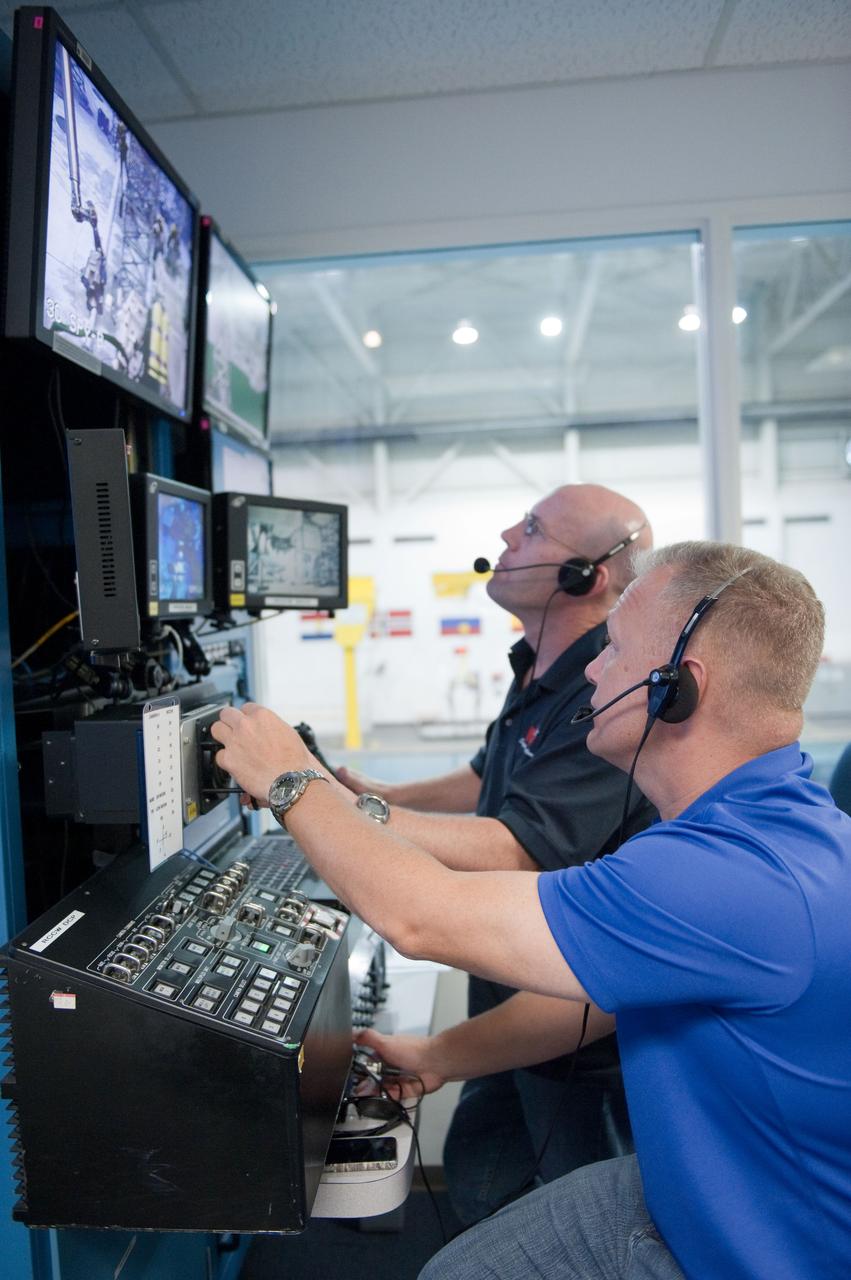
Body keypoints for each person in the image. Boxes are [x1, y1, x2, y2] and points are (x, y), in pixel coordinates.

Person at [212, 541, 851, 1279]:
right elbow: (609, 995)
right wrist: (439, 1056)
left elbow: (423, 916)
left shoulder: (730, 876)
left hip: (760, 1248)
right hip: (694, 1183)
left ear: (672, 687)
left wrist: (290, 779)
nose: (589, 670)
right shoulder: (758, 825)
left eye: (611, 649)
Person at [336, 483, 654, 1223]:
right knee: (484, 1197)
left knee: (593, 1236)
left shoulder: (600, 686)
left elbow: (516, 846)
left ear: (587, 574)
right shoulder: (537, 661)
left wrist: (346, 815)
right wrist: (370, 791)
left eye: (534, 530)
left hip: (578, 1045)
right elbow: (486, 778)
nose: (508, 534)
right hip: (505, 1014)